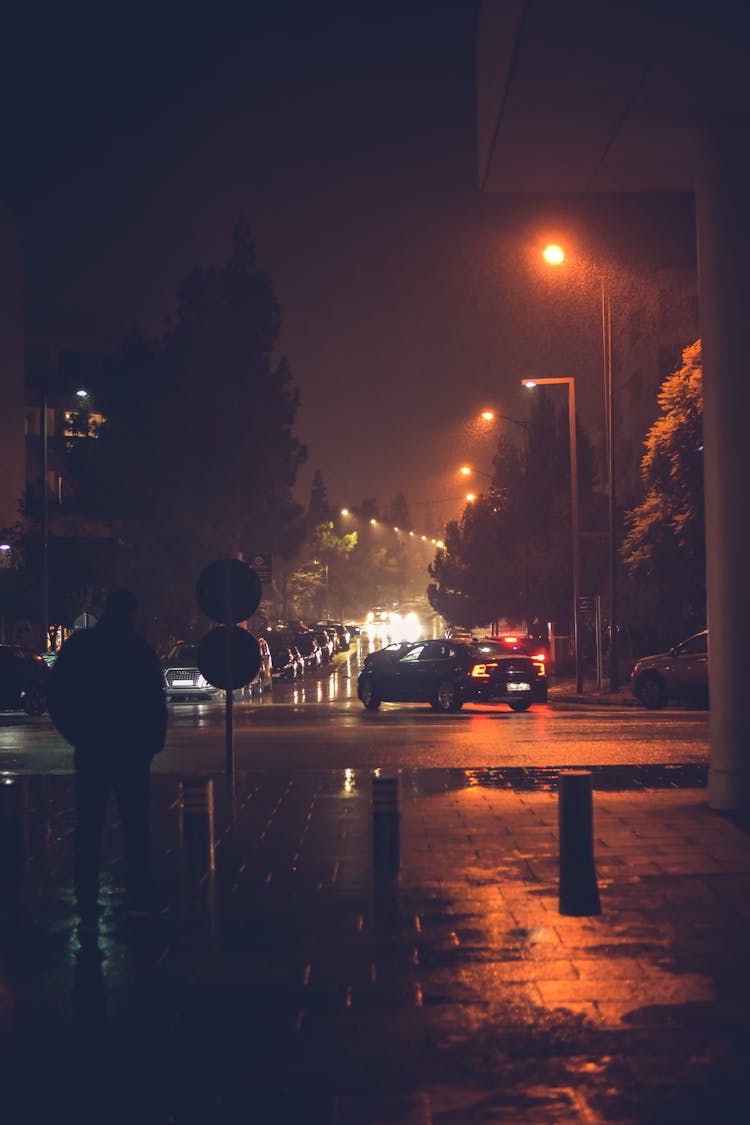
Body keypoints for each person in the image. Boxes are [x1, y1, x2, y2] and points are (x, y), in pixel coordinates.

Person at [48, 589, 168, 930]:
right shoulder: (137, 649)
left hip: (93, 750)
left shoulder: (81, 648)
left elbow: (58, 695)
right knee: (136, 826)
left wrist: (78, 736)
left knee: (88, 825)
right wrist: (151, 742)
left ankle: (85, 896)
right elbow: (153, 700)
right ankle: (141, 895)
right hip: (132, 752)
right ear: (131, 612)